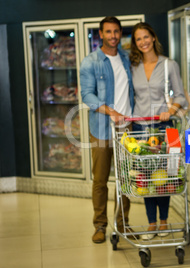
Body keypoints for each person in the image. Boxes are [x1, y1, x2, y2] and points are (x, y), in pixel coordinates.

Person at [129, 22, 188, 240]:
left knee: (162, 176)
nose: (143, 42)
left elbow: (180, 95)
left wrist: (170, 110)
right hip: (139, 128)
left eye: (146, 37)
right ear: (135, 43)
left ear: (153, 38)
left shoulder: (168, 65)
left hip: (163, 127)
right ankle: (151, 224)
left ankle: (164, 222)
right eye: (138, 39)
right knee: (145, 175)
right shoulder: (133, 67)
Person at [80, 16, 135, 243]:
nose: (113, 36)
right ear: (101, 34)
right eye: (108, 32)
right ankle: (100, 226)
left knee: (125, 179)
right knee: (100, 180)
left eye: (116, 31)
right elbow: (87, 95)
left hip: (127, 129)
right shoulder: (91, 61)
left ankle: (123, 224)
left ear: (120, 33)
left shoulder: (126, 57)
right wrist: (111, 111)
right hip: (102, 128)